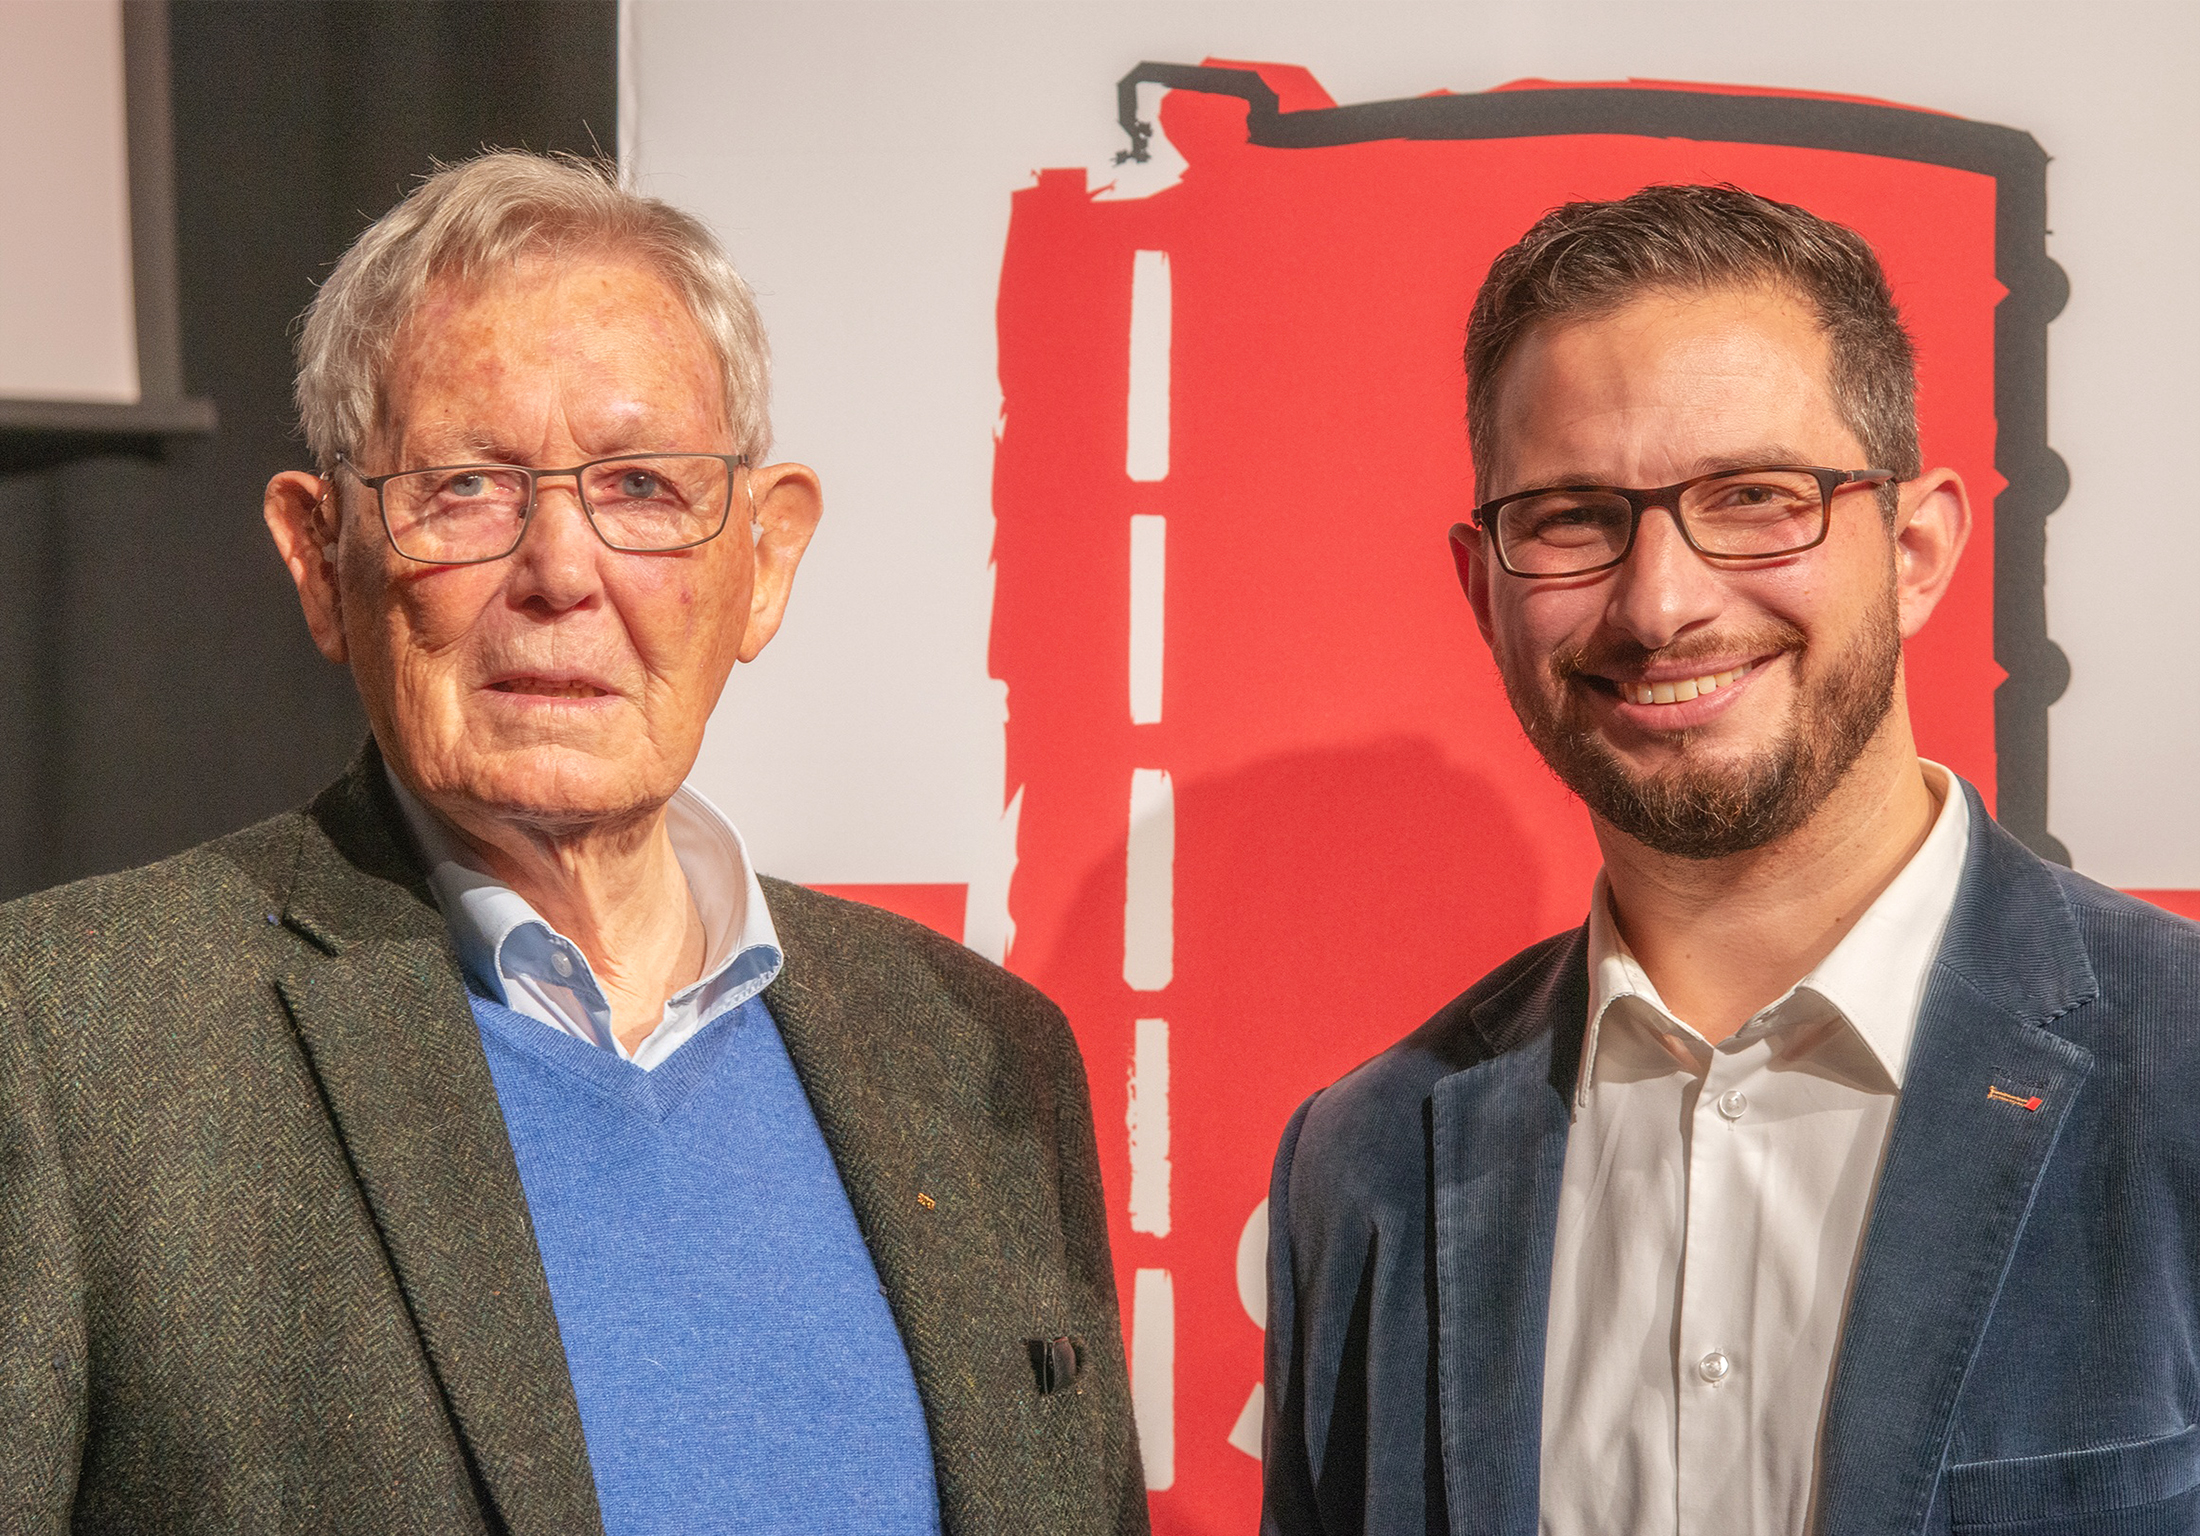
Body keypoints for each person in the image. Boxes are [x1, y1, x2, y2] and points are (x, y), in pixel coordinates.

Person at [0, 151, 1145, 1536]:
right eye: (465, 487)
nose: (559, 571)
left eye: (643, 487)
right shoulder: (70, 1043)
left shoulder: (978, 1054)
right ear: (320, 557)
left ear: (765, 562)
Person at [1261, 183, 2200, 1535]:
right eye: (1574, 518)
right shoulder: (1367, 1163)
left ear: (1917, 549)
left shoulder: (2178, 1063)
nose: (1660, 603)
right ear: (1484, 589)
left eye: (1756, 498)